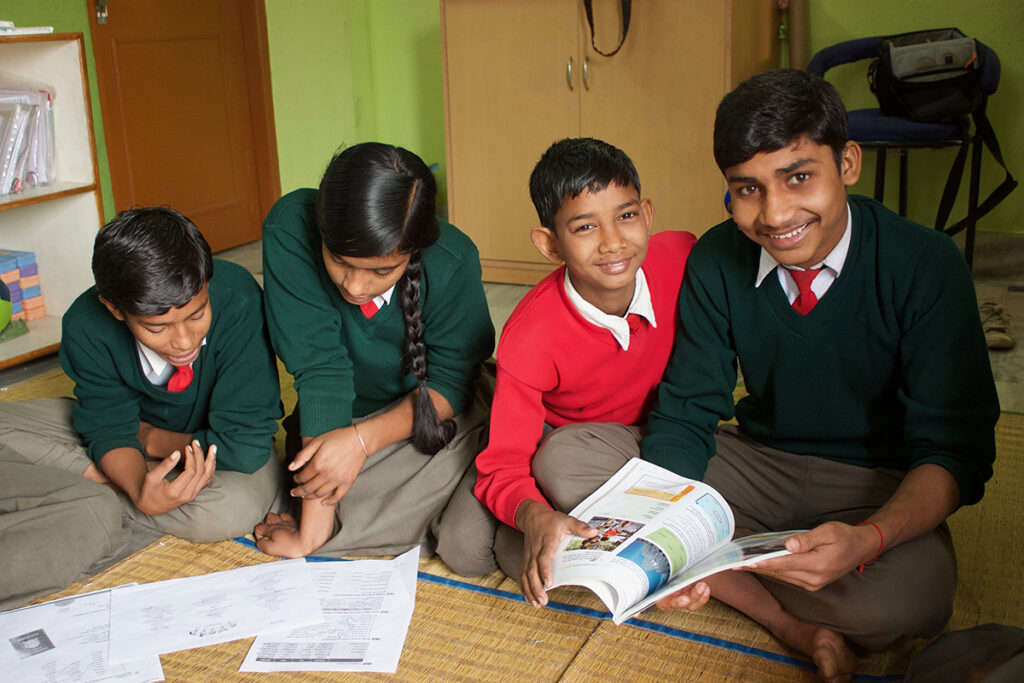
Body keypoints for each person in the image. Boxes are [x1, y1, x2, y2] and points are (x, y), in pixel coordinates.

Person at [642, 69, 999, 683]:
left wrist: (869, 541)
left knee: (915, 600)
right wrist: (662, 524)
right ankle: (789, 619)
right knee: (571, 456)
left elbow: (955, 451)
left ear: (848, 163)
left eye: (799, 177)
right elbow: (687, 410)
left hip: (876, 481)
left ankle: (716, 558)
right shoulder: (716, 258)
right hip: (757, 462)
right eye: (747, 189)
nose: (776, 214)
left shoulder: (927, 264)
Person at [435, 137, 700, 609]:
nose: (614, 242)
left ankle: (564, 544)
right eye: (584, 227)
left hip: (657, 437)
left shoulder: (684, 258)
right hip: (562, 442)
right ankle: (559, 534)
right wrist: (533, 511)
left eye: (626, 215)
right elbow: (505, 463)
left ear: (648, 215)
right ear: (549, 244)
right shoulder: (530, 334)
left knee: (528, 530)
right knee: (462, 545)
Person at [0, 207, 284, 606]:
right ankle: (115, 486)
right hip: (145, 436)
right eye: (157, 328)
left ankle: (88, 485)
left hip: (218, 451)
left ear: (207, 284)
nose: (184, 341)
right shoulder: (87, 324)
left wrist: (149, 439)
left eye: (197, 315)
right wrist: (137, 485)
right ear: (116, 310)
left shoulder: (238, 298)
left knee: (229, 509)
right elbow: (108, 427)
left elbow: (243, 445)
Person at [255, 142, 495, 559]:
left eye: (381, 271)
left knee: (345, 514)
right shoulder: (291, 228)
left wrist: (361, 444)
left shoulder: (454, 260)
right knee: (331, 497)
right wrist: (312, 535)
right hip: (337, 418)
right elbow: (320, 372)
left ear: (413, 252)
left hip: (427, 414)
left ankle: (462, 490)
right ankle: (446, 501)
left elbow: (451, 381)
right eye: (339, 260)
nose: (354, 286)